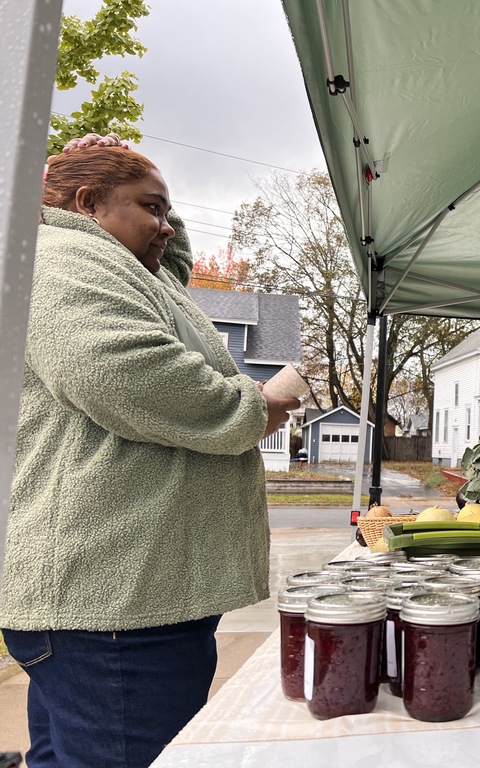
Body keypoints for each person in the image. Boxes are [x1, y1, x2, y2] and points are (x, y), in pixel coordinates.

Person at [0, 135, 300, 768]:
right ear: (87, 204)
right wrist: (254, 410)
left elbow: (167, 265)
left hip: (113, 604)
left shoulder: (110, 262)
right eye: (152, 207)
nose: (166, 227)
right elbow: (119, 372)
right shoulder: (61, 260)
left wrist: (155, 208)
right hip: (114, 611)